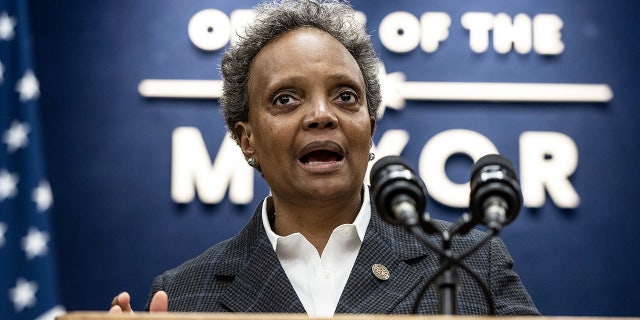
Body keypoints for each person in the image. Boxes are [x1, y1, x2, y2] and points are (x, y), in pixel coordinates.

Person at [110, 0, 539, 316]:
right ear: (247, 139)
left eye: (345, 96)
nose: (320, 115)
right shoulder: (184, 295)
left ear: (370, 127)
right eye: (285, 98)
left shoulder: (469, 260)